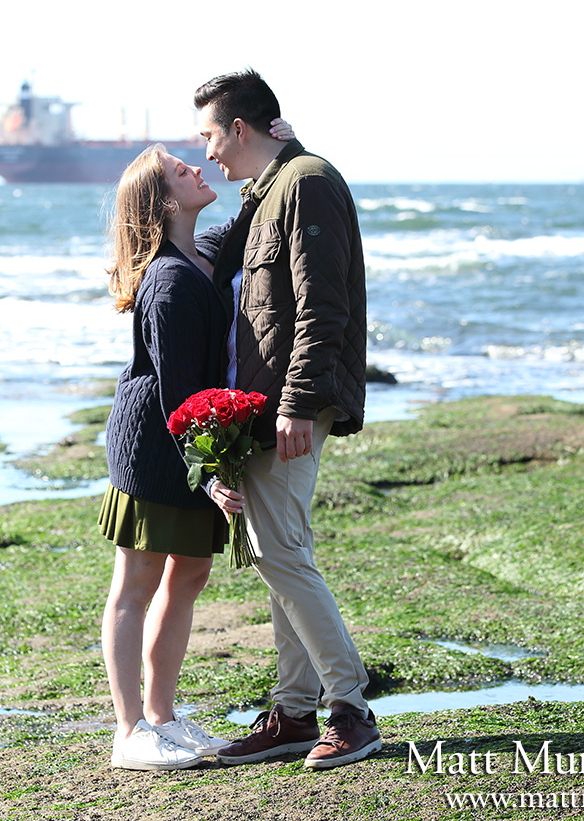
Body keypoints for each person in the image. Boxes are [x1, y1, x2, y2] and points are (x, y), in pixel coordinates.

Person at [193, 69, 380, 770]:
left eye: (210, 135)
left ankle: (349, 710)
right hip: (269, 405)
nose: (208, 151)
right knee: (282, 554)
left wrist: (299, 402)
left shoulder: (305, 181)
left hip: (292, 403)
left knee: (278, 555)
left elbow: (321, 304)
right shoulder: (273, 187)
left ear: (240, 128)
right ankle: (295, 712)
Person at [99, 123, 294, 770]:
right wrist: (207, 476)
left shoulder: (201, 257)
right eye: (182, 171)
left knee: (191, 574)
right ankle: (131, 732)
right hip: (155, 447)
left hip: (186, 442)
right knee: (136, 582)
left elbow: (242, 230)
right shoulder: (172, 282)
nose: (198, 170)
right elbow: (175, 392)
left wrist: (279, 151)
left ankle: (163, 717)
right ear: (165, 202)